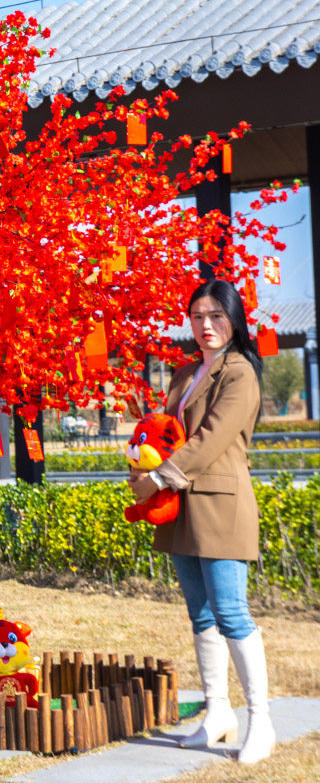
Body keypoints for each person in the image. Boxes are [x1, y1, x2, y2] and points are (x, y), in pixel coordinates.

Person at [129, 278, 275, 764]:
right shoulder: (185, 371)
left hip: (220, 506)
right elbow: (172, 432)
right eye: (197, 315)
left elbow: (210, 439)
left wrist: (161, 477)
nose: (206, 324)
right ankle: (218, 713)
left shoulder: (241, 373)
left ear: (233, 319)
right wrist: (142, 437)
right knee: (202, 615)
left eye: (216, 315)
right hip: (181, 509)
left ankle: (261, 720)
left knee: (231, 613)